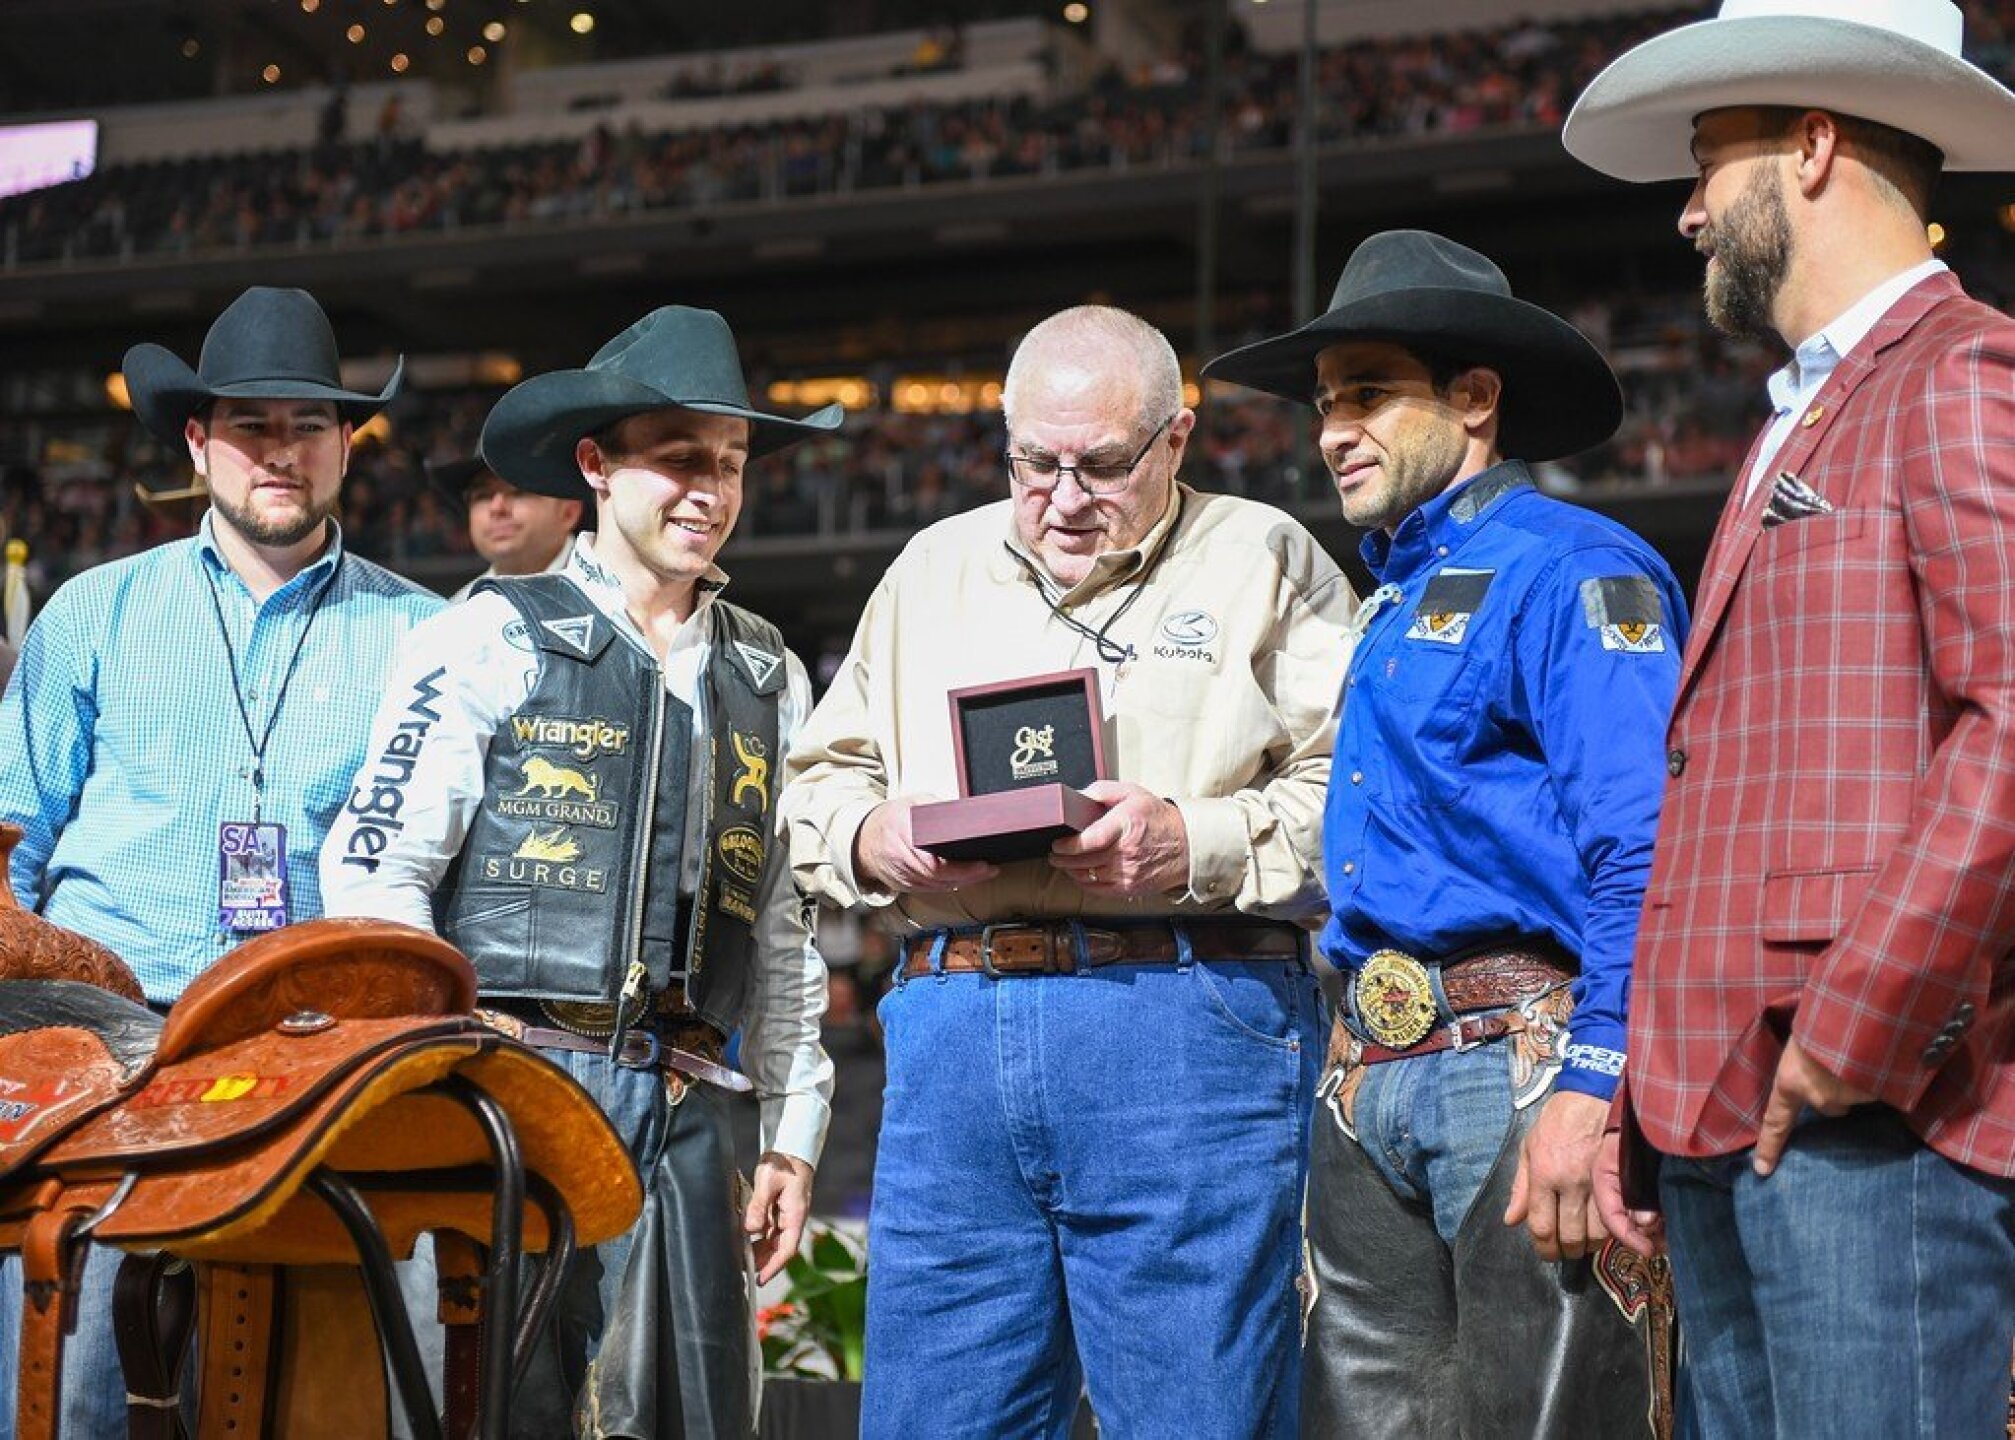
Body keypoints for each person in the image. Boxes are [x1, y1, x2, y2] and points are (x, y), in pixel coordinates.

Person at [779, 304, 1356, 1437]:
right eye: (1030, 462)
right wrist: (869, 837)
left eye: (1098, 464)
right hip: (949, 1018)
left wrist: (1191, 842)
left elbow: (1360, 792)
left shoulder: (1263, 555)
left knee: (1197, 1412)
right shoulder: (930, 566)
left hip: (1183, 1014)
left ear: (1175, 441)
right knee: (935, 1415)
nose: (1060, 495)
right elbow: (815, 783)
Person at [1562, 2, 2015, 1433]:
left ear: (1810, 146)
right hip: (1728, 1102)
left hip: (1864, 1106)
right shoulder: (1794, 418)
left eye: (1709, 160)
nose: (1689, 210)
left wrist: (1853, 1028)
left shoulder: (1957, 373)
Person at [323, 305, 839, 1438]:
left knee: (700, 1418)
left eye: (731, 463)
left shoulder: (768, 669)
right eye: (679, 459)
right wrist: (445, 1071)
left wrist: (795, 1131)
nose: (708, 489)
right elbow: (373, 871)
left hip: (701, 1106)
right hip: (524, 1090)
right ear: (596, 466)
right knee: (507, 1410)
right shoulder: (485, 633)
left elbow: (789, 928)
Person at [1202, 229, 1685, 1437]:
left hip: (1525, 1061)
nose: (1329, 431)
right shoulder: (1388, 597)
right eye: (1323, 404)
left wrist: (1596, 1080)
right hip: (1366, 1063)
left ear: (1475, 398)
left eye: (1366, 392)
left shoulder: (1574, 568)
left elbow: (1644, 846)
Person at [0, 284, 441, 1431]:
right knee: (70, 1394)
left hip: (318, 1052)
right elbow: (12, 840)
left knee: (320, 1399)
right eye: (252, 425)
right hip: (105, 1049)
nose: (279, 452)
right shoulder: (92, 615)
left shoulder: (425, 638)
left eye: (308, 425)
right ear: (198, 441)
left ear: (349, 444)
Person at [429, 453, 582, 601]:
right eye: (482, 496)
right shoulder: (458, 611)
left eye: (518, 492)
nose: (497, 507)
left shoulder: (601, 592)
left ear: (569, 512)